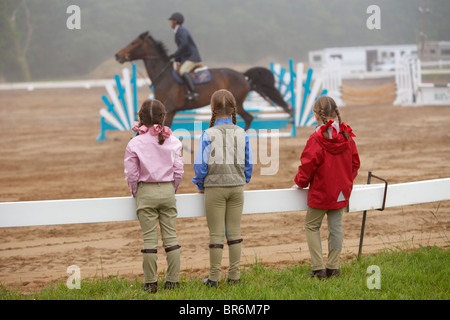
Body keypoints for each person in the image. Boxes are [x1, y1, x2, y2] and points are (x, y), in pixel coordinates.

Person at [293, 96, 360, 280]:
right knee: (336, 228)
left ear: (316, 115)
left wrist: (300, 182)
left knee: (311, 225)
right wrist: (346, 181)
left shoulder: (316, 138)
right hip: (340, 192)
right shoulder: (347, 136)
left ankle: (318, 269)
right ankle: (333, 268)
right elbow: (355, 164)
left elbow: (307, 165)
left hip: (321, 192)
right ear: (335, 112)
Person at [192, 89, 253, 287]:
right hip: (237, 187)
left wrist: (201, 184)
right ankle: (234, 276)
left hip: (215, 188)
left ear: (212, 109)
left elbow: (200, 166)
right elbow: (248, 163)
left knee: (216, 235)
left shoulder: (208, 134)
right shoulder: (242, 133)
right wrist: (243, 179)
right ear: (234, 108)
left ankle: (214, 277)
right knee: (235, 234)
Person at [124, 99, 184, 293]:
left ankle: (150, 283)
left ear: (141, 118)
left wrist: (136, 192)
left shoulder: (134, 143)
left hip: (145, 191)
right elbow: (179, 172)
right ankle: (173, 281)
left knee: (149, 241)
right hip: (167, 190)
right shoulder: (173, 141)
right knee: (171, 239)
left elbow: (132, 175)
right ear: (163, 117)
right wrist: (171, 189)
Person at [168, 12, 202, 101]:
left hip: (192, 57)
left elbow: (184, 44)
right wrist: (177, 58)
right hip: (187, 56)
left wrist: (175, 55)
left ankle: (194, 92)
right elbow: (182, 47)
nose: (170, 22)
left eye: (171, 20)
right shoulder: (178, 31)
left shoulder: (181, 31)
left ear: (175, 21)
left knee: (183, 71)